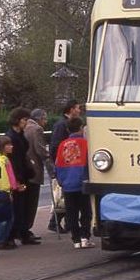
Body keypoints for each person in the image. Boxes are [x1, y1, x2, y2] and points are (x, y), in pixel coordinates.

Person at [55, 117, 95, 249]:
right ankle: (85, 237)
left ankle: (76, 239)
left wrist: (61, 181)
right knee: (86, 212)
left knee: (71, 213)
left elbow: (58, 165)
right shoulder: (85, 143)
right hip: (82, 182)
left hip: (67, 184)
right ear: (81, 128)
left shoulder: (63, 145)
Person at [6, 107, 39, 246]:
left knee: (24, 206)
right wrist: (18, 178)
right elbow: (13, 161)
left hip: (23, 174)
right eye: (25, 120)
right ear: (18, 120)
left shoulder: (20, 135)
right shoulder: (11, 137)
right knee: (17, 207)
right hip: (17, 176)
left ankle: (23, 232)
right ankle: (12, 234)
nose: (26, 122)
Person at [48, 99, 82, 233]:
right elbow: (55, 146)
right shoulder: (62, 125)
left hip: (71, 163)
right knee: (66, 194)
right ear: (71, 109)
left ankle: (68, 222)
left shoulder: (66, 123)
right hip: (67, 164)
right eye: (78, 108)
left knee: (69, 194)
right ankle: (55, 221)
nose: (79, 111)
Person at [0, 135, 23, 250]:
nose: (11, 146)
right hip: (3, 192)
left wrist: (15, 186)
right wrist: (7, 190)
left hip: (6, 191)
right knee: (3, 219)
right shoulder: (1, 161)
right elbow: (2, 178)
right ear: (2, 147)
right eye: (8, 145)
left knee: (8, 217)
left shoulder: (5, 159)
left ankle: (3, 239)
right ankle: (0, 240)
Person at [23, 108, 49, 240]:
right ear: (39, 118)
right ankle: (26, 229)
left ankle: (23, 229)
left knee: (24, 202)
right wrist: (49, 159)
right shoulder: (37, 129)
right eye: (45, 118)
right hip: (34, 169)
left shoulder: (25, 126)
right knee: (32, 202)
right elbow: (40, 149)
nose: (46, 121)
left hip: (24, 169)